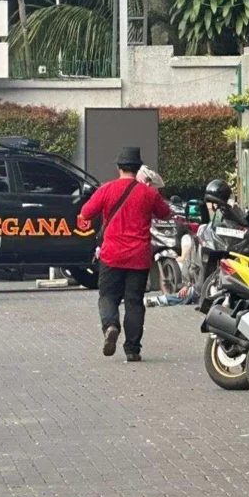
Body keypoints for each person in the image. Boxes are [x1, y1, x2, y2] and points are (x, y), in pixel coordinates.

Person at [79, 146, 172, 362]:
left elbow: (85, 213)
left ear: (118, 168)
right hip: (139, 257)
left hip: (112, 255)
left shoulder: (106, 190)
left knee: (108, 296)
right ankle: (132, 350)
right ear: (138, 168)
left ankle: (111, 326)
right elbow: (166, 213)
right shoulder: (148, 193)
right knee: (134, 302)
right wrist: (152, 190)